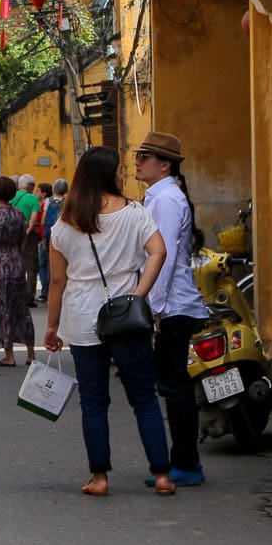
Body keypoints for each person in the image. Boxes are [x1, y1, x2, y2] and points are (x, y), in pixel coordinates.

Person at [45, 146, 174, 497]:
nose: (123, 174)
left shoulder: (65, 222)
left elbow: (57, 282)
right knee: (144, 398)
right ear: (106, 174)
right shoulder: (134, 213)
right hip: (126, 316)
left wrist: (52, 327)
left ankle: (100, 478)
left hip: (83, 316)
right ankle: (162, 475)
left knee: (94, 401)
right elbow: (158, 252)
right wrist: (138, 293)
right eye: (119, 169)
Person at [132, 131, 207, 486]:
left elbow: (161, 257)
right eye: (138, 155)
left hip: (172, 306)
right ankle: (185, 461)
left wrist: (154, 307)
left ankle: (187, 464)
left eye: (144, 157)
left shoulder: (165, 199)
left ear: (164, 165)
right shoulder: (161, 196)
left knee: (175, 388)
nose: (137, 161)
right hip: (172, 304)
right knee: (174, 385)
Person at [0, 175, 35, 366]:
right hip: (17, 263)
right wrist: (17, 256)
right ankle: (30, 353)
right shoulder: (19, 215)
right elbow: (23, 239)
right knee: (21, 308)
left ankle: (9, 355)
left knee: (3, 309)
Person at [35, 181, 62, 304]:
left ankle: (45, 292)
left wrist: (42, 229)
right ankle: (58, 293)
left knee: (44, 264)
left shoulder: (48, 201)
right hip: (61, 235)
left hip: (47, 234)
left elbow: (44, 217)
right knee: (58, 265)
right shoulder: (67, 202)